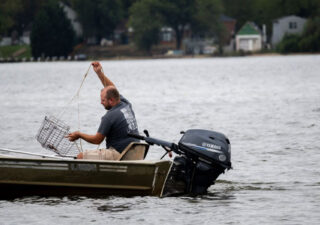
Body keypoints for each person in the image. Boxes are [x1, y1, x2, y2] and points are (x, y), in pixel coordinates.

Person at [67, 61, 139, 160]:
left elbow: (97, 140)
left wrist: (79, 134)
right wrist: (99, 73)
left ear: (111, 100)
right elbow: (112, 89)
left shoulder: (109, 116)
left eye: (103, 100)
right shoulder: (126, 104)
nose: (101, 103)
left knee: (80, 156)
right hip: (135, 153)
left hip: (120, 155)